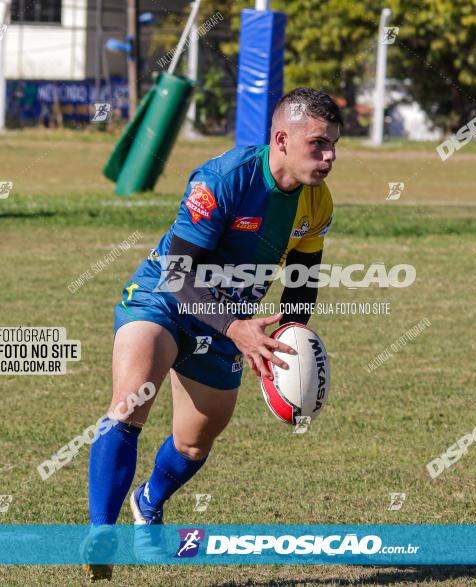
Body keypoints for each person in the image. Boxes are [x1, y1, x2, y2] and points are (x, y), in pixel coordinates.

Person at [83, 87, 342, 580]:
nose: (329, 157)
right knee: (130, 400)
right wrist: (237, 327)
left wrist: (285, 350)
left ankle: (149, 501)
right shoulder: (225, 178)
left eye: (333, 145)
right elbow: (179, 273)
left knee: (194, 443)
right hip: (164, 299)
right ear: (281, 139)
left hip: (234, 322)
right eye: (318, 145)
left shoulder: (317, 203)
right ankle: (102, 532)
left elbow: (301, 287)